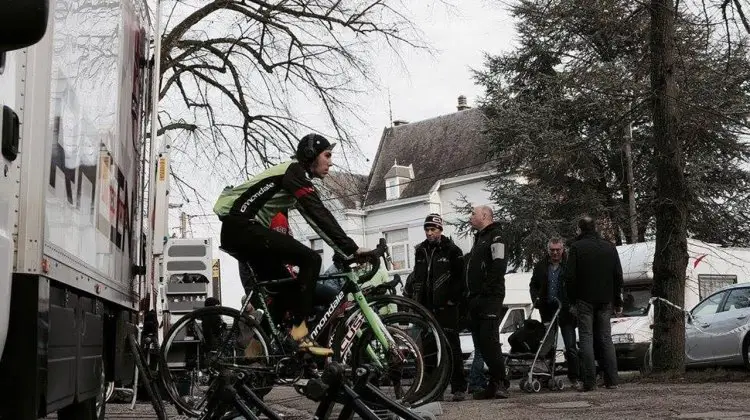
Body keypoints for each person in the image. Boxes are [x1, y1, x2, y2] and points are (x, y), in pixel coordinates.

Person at [214, 133, 367, 357]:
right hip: (242, 227)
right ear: (311, 154)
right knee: (311, 259)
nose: (331, 162)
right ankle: (300, 335)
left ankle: (268, 354)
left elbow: (316, 223)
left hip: (241, 231)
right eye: (327, 155)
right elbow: (320, 213)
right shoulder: (294, 172)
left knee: (285, 291)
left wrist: (343, 251)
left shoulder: (295, 183)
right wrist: (352, 249)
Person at [404, 213, 468, 401]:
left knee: (451, 347)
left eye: (433, 229)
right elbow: (417, 277)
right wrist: (416, 300)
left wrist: (452, 300)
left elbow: (460, 279)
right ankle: (434, 390)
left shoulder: (453, 250)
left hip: (447, 308)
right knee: (430, 349)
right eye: (427, 230)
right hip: (426, 307)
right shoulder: (420, 251)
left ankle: (458, 388)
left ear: (440, 230)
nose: (429, 233)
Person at [564, 216, 624, 391]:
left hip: (584, 299)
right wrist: (618, 300)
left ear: (579, 229)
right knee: (606, 338)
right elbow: (618, 275)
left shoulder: (576, 247)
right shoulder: (609, 247)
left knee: (586, 339)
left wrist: (572, 300)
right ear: (595, 227)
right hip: (606, 299)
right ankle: (612, 380)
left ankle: (589, 381)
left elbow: (570, 277)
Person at [464, 205, 509, 399]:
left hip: (489, 297)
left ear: (484, 216)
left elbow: (499, 265)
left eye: (473, 214)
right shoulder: (480, 238)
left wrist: (485, 291)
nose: (470, 217)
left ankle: (501, 383)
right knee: (482, 342)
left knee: (490, 340)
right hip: (476, 297)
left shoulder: (496, 236)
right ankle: (493, 382)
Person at [529, 236, 580, 386]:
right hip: (547, 309)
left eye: (558, 250)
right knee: (547, 344)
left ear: (563, 250)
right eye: (552, 250)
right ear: (548, 250)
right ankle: (546, 375)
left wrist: (573, 304)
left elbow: (575, 286)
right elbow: (533, 285)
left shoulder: (569, 265)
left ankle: (574, 377)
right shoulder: (541, 266)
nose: (555, 253)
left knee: (570, 345)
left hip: (565, 310)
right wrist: (536, 300)